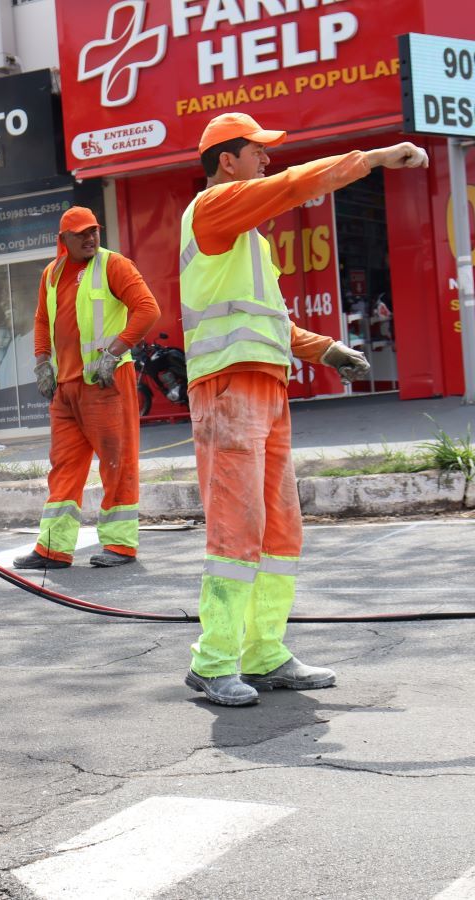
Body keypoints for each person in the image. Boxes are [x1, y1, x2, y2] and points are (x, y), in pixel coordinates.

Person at [180, 113, 427, 706]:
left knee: (281, 529)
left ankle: (264, 653)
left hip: (265, 390)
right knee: (236, 530)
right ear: (226, 161)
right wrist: (370, 158)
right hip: (228, 390)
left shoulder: (250, 241)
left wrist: (324, 349)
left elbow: (268, 322)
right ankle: (214, 661)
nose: (266, 159)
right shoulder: (215, 210)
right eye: (257, 151)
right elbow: (292, 186)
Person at [13, 207, 160, 571]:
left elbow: (148, 310)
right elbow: (42, 319)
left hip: (106, 383)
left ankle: (121, 545)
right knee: (63, 468)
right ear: (63, 240)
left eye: (94, 231)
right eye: (81, 233)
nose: (90, 238)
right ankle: (53, 548)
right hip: (65, 390)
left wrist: (114, 352)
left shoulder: (114, 265)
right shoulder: (51, 274)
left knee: (116, 464)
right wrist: (41, 361)